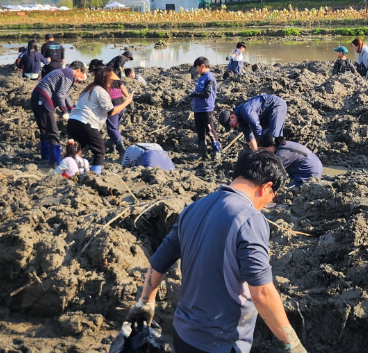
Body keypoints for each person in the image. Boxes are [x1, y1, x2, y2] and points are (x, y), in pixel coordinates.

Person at [126, 150, 307, 353]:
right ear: (266, 187)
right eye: (271, 200)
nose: (266, 206)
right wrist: (293, 344)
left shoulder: (193, 208)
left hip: (183, 334)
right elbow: (262, 293)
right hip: (221, 342)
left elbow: (159, 261)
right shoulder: (250, 218)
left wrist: (145, 302)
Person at [68, 67, 133, 171]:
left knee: (75, 149)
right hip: (86, 122)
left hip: (72, 121)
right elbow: (111, 111)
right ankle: (96, 174)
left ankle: (70, 172)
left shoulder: (88, 89)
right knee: (99, 150)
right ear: (104, 79)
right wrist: (127, 102)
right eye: (110, 80)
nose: (111, 83)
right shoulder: (101, 91)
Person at [31, 62, 83, 168]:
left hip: (36, 97)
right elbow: (60, 95)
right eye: (81, 74)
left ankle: (46, 157)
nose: (80, 76)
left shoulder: (64, 72)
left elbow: (65, 94)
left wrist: (71, 108)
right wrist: (64, 111)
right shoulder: (69, 75)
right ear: (78, 70)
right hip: (44, 99)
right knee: (53, 132)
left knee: (44, 130)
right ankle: (56, 162)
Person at [218, 93, 288, 151]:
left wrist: (263, 145)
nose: (233, 127)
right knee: (266, 137)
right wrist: (256, 151)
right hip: (265, 115)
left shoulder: (245, 111)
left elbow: (256, 127)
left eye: (231, 125)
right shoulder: (240, 120)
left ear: (232, 117)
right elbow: (249, 137)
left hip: (276, 105)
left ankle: (280, 154)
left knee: (274, 137)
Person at [189, 57, 220, 160]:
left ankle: (216, 152)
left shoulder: (209, 78)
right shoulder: (201, 78)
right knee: (200, 131)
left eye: (197, 68)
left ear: (202, 66)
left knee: (210, 130)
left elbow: (207, 93)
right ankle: (202, 153)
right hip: (198, 109)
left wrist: (194, 93)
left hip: (206, 109)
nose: (196, 70)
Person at [104, 69, 132, 160]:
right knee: (115, 127)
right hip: (121, 103)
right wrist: (128, 98)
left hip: (113, 106)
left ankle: (122, 150)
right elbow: (122, 88)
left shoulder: (104, 80)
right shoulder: (116, 79)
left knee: (112, 129)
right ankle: (113, 147)